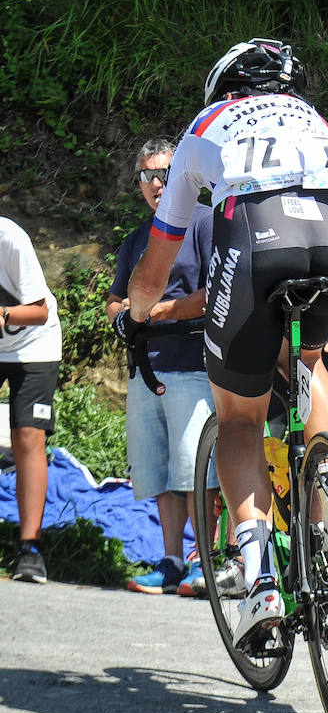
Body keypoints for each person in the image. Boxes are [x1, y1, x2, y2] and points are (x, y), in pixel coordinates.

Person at [120, 38, 328, 647]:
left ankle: (257, 577)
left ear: (225, 87)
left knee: (238, 418)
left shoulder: (207, 125)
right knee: (305, 361)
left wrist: (137, 312)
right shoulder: (321, 123)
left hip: (262, 243)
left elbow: (160, 257)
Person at [108, 138, 216, 596]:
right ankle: (172, 560)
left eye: (166, 174)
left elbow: (218, 295)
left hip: (193, 364)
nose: (156, 183)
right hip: (144, 368)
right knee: (159, 473)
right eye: (148, 176)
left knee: (197, 474)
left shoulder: (208, 223)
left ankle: (204, 563)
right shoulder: (138, 238)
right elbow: (117, 298)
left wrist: (158, 311)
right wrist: (122, 316)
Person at [0, 217, 62, 584]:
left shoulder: (10, 238)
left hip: (33, 345)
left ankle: (30, 549)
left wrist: (3, 315)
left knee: (27, 437)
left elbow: (39, 311)